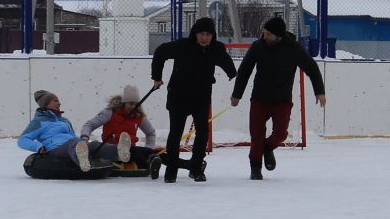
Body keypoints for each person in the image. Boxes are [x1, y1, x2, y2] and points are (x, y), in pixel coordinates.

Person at [230, 16, 326, 180]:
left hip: (282, 100)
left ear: (278, 35)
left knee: (281, 134)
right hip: (259, 98)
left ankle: (267, 148)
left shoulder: (293, 48)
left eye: (268, 34)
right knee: (256, 135)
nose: (264, 36)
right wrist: (237, 95)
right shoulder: (258, 46)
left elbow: (312, 68)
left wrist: (320, 91)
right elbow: (244, 71)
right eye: (264, 33)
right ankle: (255, 168)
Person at [149, 16, 236, 183]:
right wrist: (156, 77)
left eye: (208, 34)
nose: (204, 38)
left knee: (203, 133)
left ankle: (196, 169)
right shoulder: (182, 46)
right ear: (195, 34)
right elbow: (160, 52)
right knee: (175, 133)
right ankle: (171, 170)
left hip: (201, 98)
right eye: (201, 34)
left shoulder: (216, 48)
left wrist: (233, 75)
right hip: (178, 96)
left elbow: (226, 61)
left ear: (213, 35)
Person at [16, 90, 115, 174]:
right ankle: (84, 162)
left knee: (94, 145)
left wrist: (83, 142)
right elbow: (22, 140)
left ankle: (120, 152)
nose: (59, 103)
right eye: (55, 101)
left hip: (72, 145)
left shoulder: (64, 121)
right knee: (73, 144)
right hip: (54, 149)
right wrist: (38, 147)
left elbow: (72, 137)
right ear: (45, 104)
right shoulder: (39, 122)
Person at [78, 84, 158, 168]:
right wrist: (85, 138)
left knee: (152, 152)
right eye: (131, 103)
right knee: (136, 153)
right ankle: (148, 165)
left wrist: (149, 147)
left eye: (136, 104)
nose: (133, 107)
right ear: (124, 102)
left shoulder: (138, 116)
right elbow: (89, 124)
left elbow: (151, 133)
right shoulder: (110, 112)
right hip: (111, 149)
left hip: (130, 150)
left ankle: (164, 162)